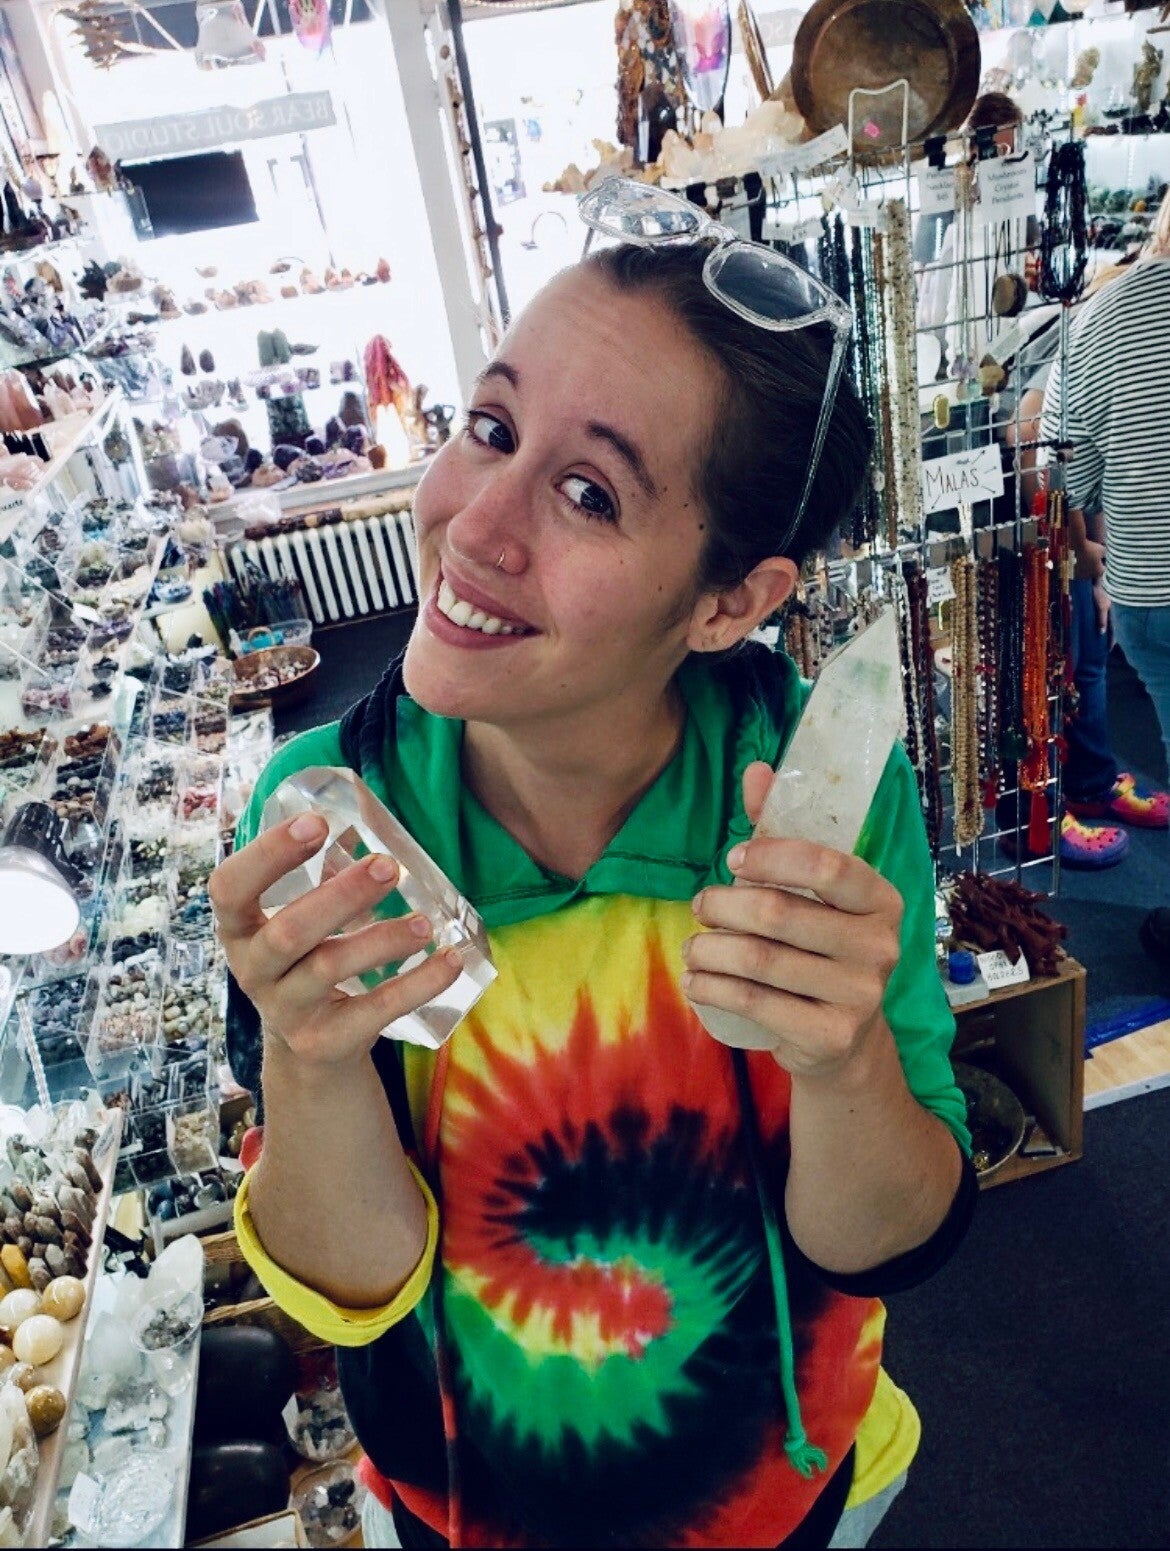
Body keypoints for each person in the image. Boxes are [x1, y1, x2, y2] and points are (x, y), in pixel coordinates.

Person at [211, 189, 974, 1550]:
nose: (475, 526)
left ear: (732, 601)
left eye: (588, 494)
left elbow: (883, 1238)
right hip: (465, 1510)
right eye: (491, 428)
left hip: (780, 1494)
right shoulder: (332, 814)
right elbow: (356, 1286)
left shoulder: (818, 800)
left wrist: (844, 1056)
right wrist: (308, 1060)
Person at [1041, 187, 1170, 947]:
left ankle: (1087, 783)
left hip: (1146, 574)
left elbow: (1071, 472)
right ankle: (1076, 787)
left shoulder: (1104, 319)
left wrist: (1094, 554)